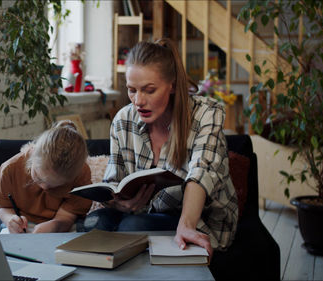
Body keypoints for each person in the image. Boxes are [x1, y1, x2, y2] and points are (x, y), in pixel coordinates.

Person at [83, 39, 238, 256]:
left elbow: (201, 172)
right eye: (131, 90)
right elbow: (114, 182)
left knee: (131, 229)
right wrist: (120, 204)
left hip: (198, 220)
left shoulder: (206, 114)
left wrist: (186, 224)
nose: (138, 101)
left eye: (149, 90)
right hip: (142, 214)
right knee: (94, 223)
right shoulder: (123, 120)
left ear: (172, 85)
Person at [0, 120, 92, 233]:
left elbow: (68, 216)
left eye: (55, 186)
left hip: (64, 226)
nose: (44, 187)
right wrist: (10, 219)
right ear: (33, 156)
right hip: (22, 225)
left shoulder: (81, 173)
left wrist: (56, 225)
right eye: (38, 177)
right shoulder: (10, 169)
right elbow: (3, 208)